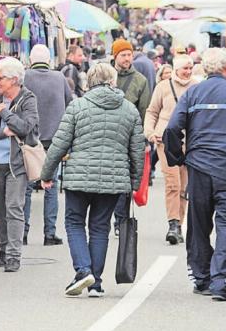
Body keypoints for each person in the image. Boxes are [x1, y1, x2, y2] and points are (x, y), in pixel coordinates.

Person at [164, 48, 226, 301]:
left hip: (198, 168)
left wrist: (177, 158)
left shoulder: (192, 93)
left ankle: (201, 277)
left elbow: (173, 127)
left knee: (198, 225)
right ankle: (221, 281)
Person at [40, 63, 145, 297]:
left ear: (90, 83)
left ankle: (83, 271)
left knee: (74, 222)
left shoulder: (78, 106)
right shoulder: (129, 110)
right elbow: (137, 150)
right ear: (112, 81)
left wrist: (46, 174)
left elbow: (60, 143)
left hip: (79, 178)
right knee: (100, 227)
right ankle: (95, 283)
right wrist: (135, 184)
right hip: (114, 180)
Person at [0, 57, 40, 272]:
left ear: (14, 79)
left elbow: (26, 128)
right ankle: (3, 248)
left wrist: (5, 113)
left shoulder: (27, 100)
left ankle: (14, 255)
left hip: (17, 163)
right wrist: (2, 132)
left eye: (0, 78)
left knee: (14, 207)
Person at [22, 45, 72, 246]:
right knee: (51, 185)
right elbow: (70, 102)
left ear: (31, 60)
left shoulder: (24, 77)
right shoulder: (59, 77)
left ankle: (22, 232)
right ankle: (49, 233)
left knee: (25, 186)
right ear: (49, 60)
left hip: (29, 139)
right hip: (54, 139)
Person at [144, 55, 196, 244]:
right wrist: (150, 132)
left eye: (190, 68)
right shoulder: (163, 87)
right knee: (172, 183)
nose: (188, 72)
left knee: (184, 186)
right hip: (165, 140)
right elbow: (152, 112)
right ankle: (173, 224)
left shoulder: (196, 87)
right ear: (176, 69)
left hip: (190, 141)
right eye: (185, 68)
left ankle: (180, 224)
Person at [111, 38, 151, 233]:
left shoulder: (140, 81)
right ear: (115, 56)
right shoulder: (106, 76)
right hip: (106, 136)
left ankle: (120, 220)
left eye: (129, 54)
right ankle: (110, 217)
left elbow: (144, 111)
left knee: (124, 181)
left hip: (127, 138)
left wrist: (141, 138)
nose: (127, 58)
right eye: (123, 55)